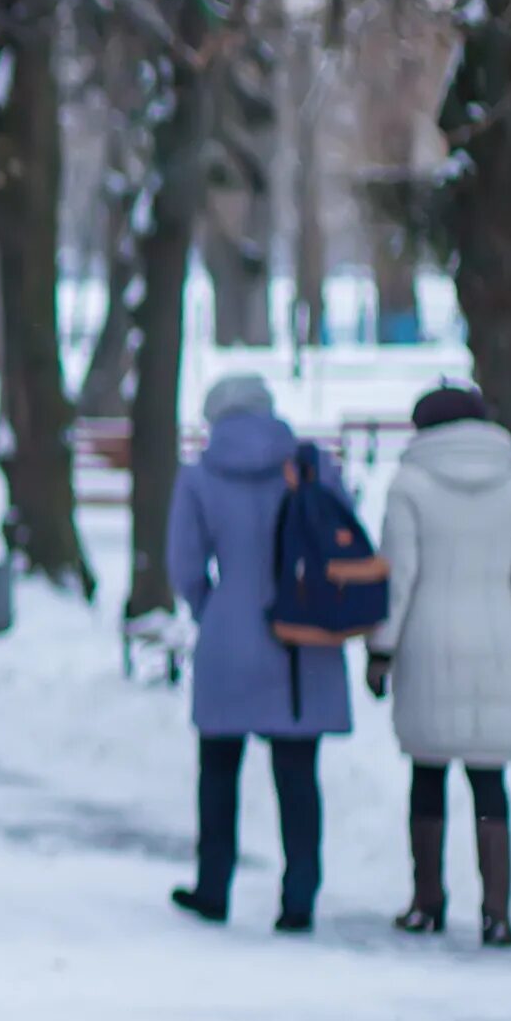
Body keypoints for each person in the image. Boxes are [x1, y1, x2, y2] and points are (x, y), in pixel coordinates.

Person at [166, 373, 352, 933]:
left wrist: (216, 612)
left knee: (219, 770)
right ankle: (298, 898)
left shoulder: (199, 478)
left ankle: (213, 887)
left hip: (229, 637)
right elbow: (342, 537)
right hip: (302, 639)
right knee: (297, 775)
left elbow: (185, 567)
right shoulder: (311, 466)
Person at [367, 384, 511, 947]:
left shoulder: (409, 484)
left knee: (428, 773)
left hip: (427, 639)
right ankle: (497, 912)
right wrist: (502, 619)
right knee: (490, 780)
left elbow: (399, 579)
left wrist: (382, 648)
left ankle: (428, 901)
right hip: (496, 639)